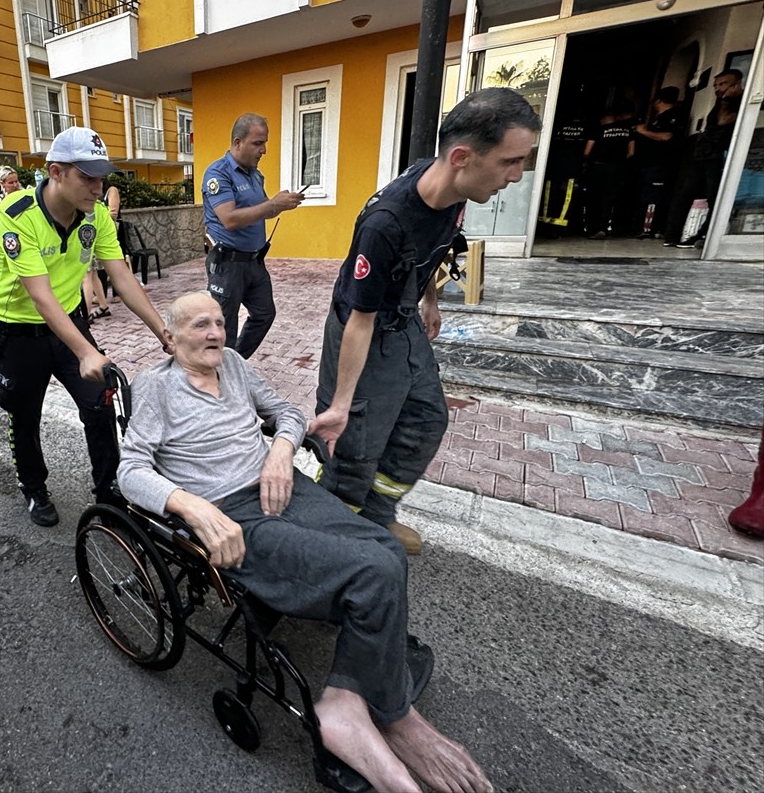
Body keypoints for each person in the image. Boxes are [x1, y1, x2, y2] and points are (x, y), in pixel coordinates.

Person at [118, 292, 492, 793]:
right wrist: (194, 507)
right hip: (231, 514)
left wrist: (280, 451)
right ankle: (380, 714)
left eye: (220, 323)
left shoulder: (233, 364)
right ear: (170, 336)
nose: (215, 333)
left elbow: (287, 413)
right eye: (200, 325)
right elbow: (130, 471)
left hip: (282, 485)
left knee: (386, 550)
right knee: (371, 571)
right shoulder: (155, 386)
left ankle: (361, 702)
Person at [310, 88, 540, 555]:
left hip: (403, 319)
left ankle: (375, 518)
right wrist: (341, 404)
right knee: (354, 444)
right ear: (461, 157)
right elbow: (359, 321)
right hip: (365, 330)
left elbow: (433, 244)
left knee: (425, 419)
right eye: (510, 161)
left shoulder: (452, 187)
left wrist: (428, 297)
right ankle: (330, 539)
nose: (517, 176)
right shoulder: (385, 224)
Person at [0, 126, 168, 527]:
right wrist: (86, 352)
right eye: (87, 177)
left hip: (70, 321)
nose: (98, 188)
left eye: (101, 177)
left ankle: (109, 492)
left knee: (100, 405)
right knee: (24, 416)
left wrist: (163, 331)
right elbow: (40, 296)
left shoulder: (95, 214)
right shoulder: (16, 213)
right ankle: (34, 487)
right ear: (56, 172)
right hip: (18, 329)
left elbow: (121, 276)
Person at [202, 113, 304, 358]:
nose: (264, 150)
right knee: (224, 328)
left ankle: (234, 362)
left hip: (254, 261)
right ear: (238, 143)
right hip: (228, 264)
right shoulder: (218, 173)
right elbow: (229, 219)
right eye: (258, 143)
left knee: (264, 314)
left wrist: (282, 204)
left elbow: (263, 211)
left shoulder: (255, 175)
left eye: (265, 143)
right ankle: (220, 374)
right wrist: (272, 205)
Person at [667, 69, 743, 248]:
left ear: (736, 84)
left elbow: (723, 121)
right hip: (704, 154)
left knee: (714, 196)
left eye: (722, 84)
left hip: (721, 155)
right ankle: (673, 236)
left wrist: (725, 100)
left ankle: (704, 235)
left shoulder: (738, 102)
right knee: (685, 194)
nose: (718, 88)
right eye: (716, 85)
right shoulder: (719, 103)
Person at [632, 87, 683, 238]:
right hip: (649, 164)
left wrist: (644, 132)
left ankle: (649, 229)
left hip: (660, 164)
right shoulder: (659, 118)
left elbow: (667, 136)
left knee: (653, 197)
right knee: (646, 195)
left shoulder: (674, 115)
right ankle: (643, 227)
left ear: (658, 101)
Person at [582, 100, 635, 239]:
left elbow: (587, 151)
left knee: (594, 197)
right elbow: (631, 152)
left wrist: (588, 161)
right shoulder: (627, 131)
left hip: (598, 167)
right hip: (616, 168)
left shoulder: (598, 130)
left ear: (604, 119)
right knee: (609, 198)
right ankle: (603, 227)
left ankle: (591, 228)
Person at [82, 180, 120, 320]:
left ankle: (86, 314)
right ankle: (103, 306)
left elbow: (113, 213)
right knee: (93, 275)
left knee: (87, 276)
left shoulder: (111, 191)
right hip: (90, 237)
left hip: (95, 238)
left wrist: (100, 215)